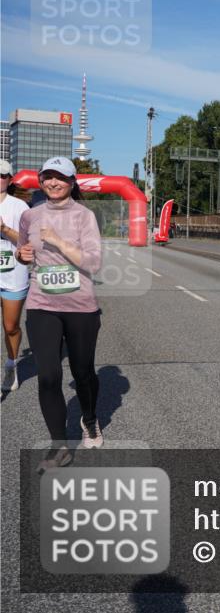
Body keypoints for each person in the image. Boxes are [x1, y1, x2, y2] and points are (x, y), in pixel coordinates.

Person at [16, 157, 103, 471]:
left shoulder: (84, 216)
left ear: (72, 181)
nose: (53, 183)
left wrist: (57, 241)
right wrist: (21, 254)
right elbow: (23, 250)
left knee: (83, 373)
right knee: (49, 375)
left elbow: (93, 263)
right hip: (42, 305)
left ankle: (89, 419)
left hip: (81, 307)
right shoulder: (30, 215)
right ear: (41, 181)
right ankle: (59, 445)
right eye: (48, 177)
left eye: (61, 177)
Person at [0, 159, 29, 392]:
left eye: (2, 175)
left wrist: (3, 229)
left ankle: (11, 363)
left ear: (10, 180)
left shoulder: (20, 206)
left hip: (13, 274)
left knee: (10, 326)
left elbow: (28, 242)